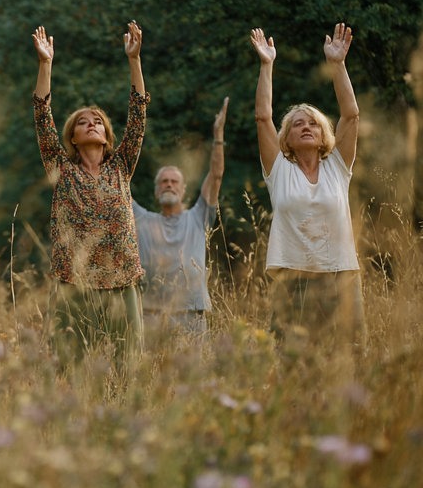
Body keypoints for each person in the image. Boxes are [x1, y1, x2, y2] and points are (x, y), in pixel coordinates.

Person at [31, 22, 149, 368]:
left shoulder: (121, 167)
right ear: (72, 137)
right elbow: (41, 114)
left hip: (121, 279)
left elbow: (139, 115)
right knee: (69, 365)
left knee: (128, 362)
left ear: (107, 135)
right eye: (83, 122)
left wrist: (135, 60)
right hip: (73, 281)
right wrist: (45, 65)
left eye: (97, 120)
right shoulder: (60, 167)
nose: (92, 123)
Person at [251, 23, 363, 344]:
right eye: (297, 124)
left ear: (323, 133)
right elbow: (262, 116)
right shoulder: (279, 170)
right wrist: (266, 65)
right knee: (294, 367)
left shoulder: (337, 167)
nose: (306, 127)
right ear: (285, 137)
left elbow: (351, 116)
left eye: (313, 123)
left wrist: (338, 66)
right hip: (292, 281)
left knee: (347, 361)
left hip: (340, 277)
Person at [132, 99, 229, 339]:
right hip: (151, 314)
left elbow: (216, 175)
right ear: (156, 191)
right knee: (152, 376)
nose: (169, 185)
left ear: (183, 190)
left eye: (174, 181)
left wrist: (218, 136)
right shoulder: (141, 219)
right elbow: (116, 186)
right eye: (164, 181)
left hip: (192, 313)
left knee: (194, 376)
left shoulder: (199, 216)